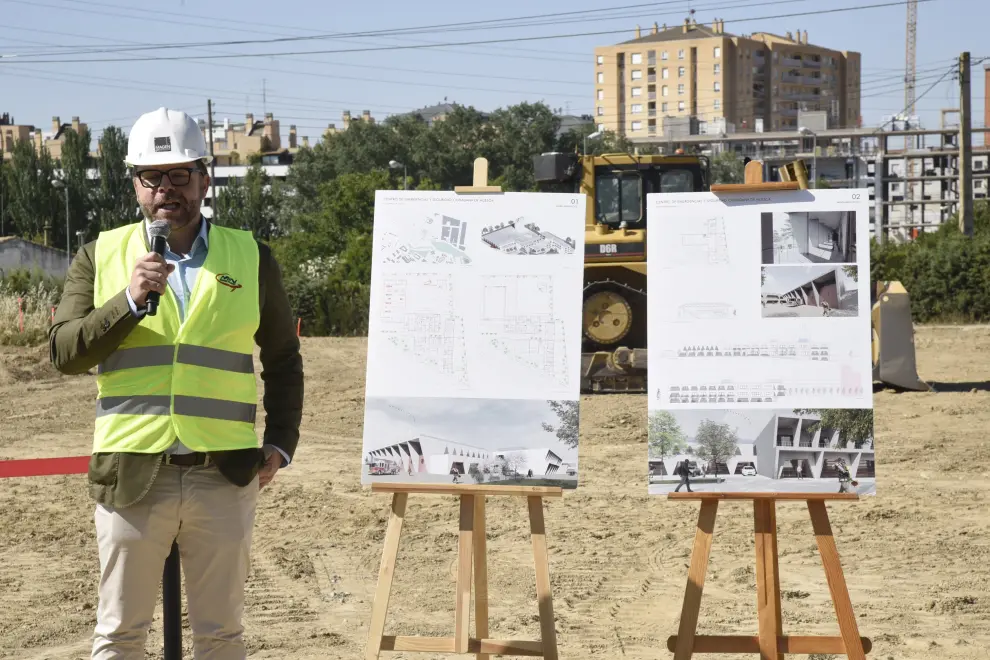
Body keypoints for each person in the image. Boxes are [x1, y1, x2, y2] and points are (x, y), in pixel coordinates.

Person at [48, 107, 304, 660]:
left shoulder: (251, 256)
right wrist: (129, 301)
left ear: (204, 178)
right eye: (152, 177)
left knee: (221, 636)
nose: (167, 189)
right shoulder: (101, 255)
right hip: (132, 475)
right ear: (136, 185)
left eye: (180, 174)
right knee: (119, 637)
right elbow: (64, 352)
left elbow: (283, 357)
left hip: (225, 474)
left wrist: (282, 440)